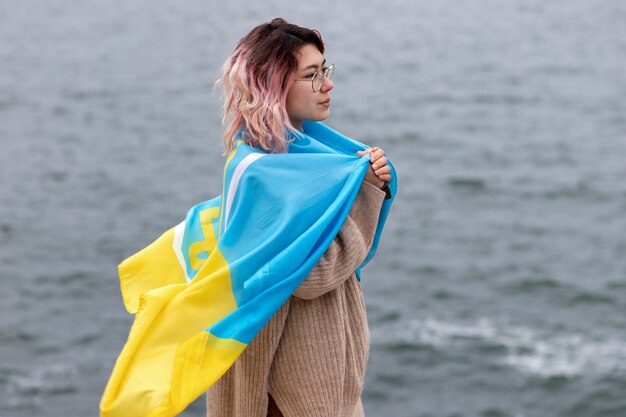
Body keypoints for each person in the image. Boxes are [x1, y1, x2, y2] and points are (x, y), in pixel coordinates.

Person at [206, 18, 393, 417]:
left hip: (318, 387)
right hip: (289, 397)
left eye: (326, 70)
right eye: (311, 75)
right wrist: (366, 195)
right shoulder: (265, 173)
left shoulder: (303, 158)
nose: (328, 84)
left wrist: (357, 183)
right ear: (273, 83)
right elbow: (310, 276)